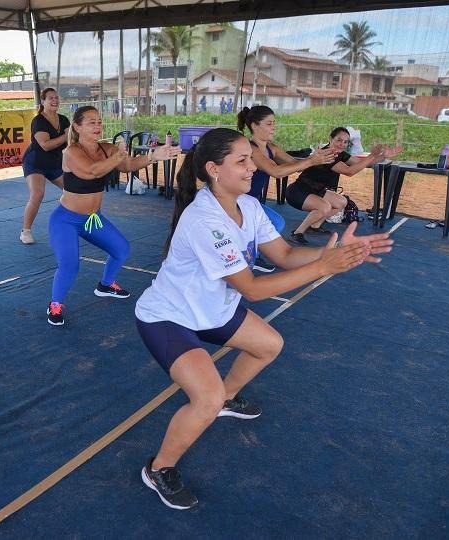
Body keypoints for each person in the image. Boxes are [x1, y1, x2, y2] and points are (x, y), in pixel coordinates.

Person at [134, 128, 393, 510]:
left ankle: (228, 397)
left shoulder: (248, 207)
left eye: (250, 158)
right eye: (242, 160)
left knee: (269, 345)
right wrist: (325, 267)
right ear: (213, 169)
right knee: (204, 399)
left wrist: (337, 252)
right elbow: (252, 289)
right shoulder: (204, 219)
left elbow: (285, 255)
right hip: (169, 317)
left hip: (211, 310)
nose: (252, 166)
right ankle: (159, 469)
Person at [47, 105, 180, 326]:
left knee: (121, 249)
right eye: (91, 122)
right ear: (77, 127)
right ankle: (55, 304)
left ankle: (106, 285)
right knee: (70, 265)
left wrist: (153, 156)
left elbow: (128, 165)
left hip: (92, 219)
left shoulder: (107, 149)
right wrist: (118, 155)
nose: (98, 126)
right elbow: (92, 171)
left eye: (99, 121)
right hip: (66, 219)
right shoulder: (71, 152)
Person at [237, 105, 336, 267]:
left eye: (274, 123)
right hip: (237, 200)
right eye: (269, 124)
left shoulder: (271, 148)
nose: (273, 127)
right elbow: (276, 171)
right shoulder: (251, 150)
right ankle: (250, 256)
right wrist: (311, 161)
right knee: (276, 224)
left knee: (277, 223)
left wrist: (316, 158)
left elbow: (293, 164)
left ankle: (250, 254)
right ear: (255, 125)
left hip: (251, 201)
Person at [287, 127, 401, 244]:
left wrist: (383, 156)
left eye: (345, 142)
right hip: (298, 192)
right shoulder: (328, 155)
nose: (342, 144)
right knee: (324, 207)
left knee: (341, 202)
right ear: (330, 139)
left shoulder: (340, 154)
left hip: (316, 190)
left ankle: (315, 226)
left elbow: (360, 163)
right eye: (339, 140)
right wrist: (371, 156)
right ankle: (297, 233)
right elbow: (349, 171)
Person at [20, 87, 70, 244]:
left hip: (55, 162)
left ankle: (66, 221)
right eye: (51, 98)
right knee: (37, 194)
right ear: (43, 101)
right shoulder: (38, 121)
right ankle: (25, 231)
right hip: (35, 162)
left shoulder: (63, 119)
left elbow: (72, 141)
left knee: (73, 190)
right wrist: (66, 135)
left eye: (56, 98)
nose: (55, 101)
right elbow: (46, 145)